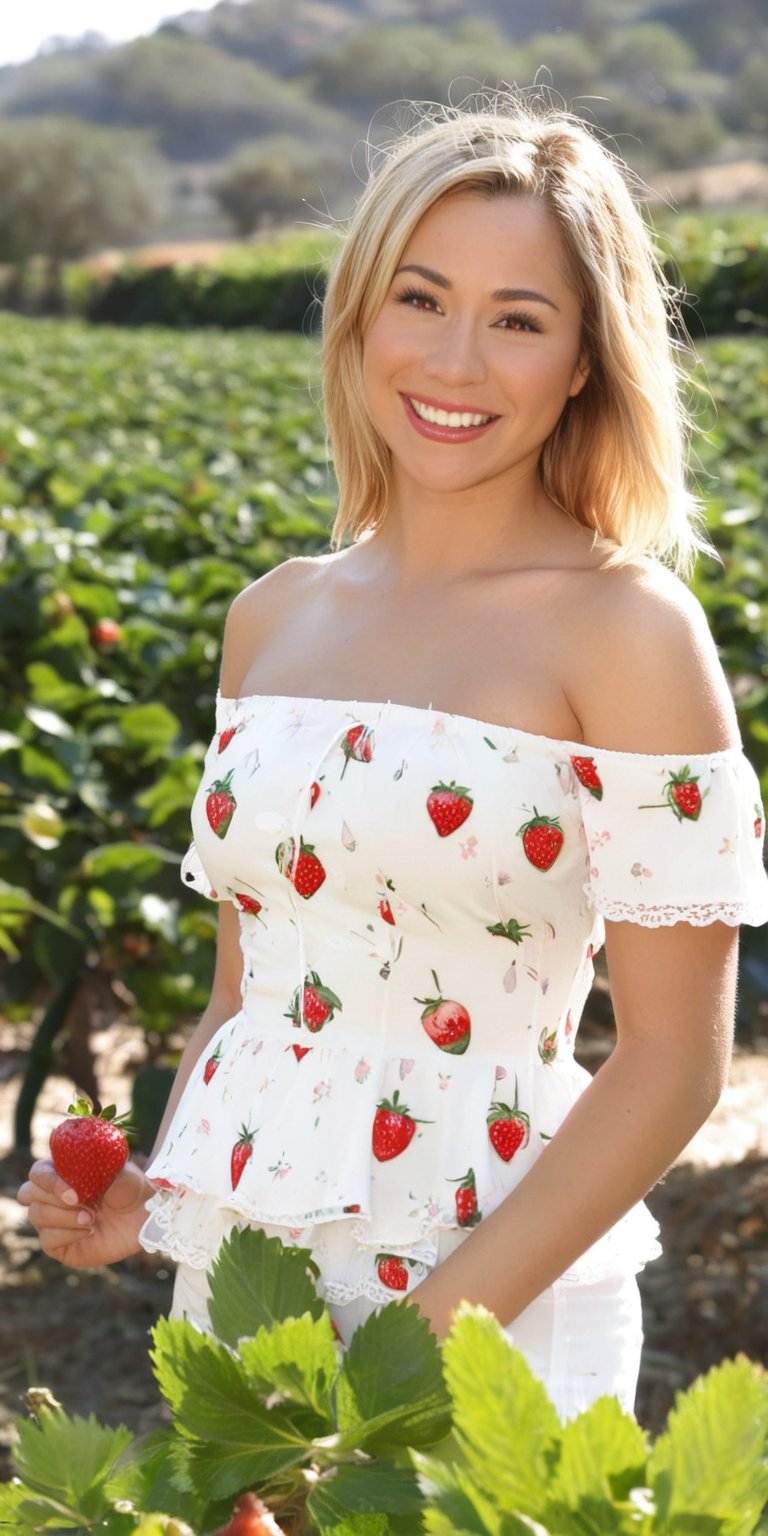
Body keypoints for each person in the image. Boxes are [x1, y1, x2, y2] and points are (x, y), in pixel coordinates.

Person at [18, 90, 768, 1422]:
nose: (457, 361)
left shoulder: (630, 631)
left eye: (520, 319)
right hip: (251, 1292)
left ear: (588, 358)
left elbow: (674, 1061)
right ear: (359, 312)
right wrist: (159, 1189)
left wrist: (424, 1335)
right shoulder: (274, 614)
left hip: (501, 1306)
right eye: (420, 299)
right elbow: (253, 998)